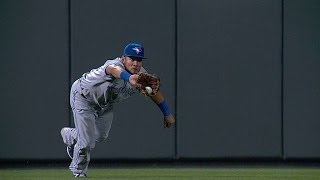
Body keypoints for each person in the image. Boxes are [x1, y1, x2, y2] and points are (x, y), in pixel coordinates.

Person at [60, 42, 175, 177]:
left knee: (100, 136)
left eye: (139, 60)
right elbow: (112, 70)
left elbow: (154, 93)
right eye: (132, 59)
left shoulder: (142, 76)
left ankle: (71, 135)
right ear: (123, 58)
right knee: (86, 142)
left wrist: (167, 113)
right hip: (83, 97)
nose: (136, 63)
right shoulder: (115, 65)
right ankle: (79, 173)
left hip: (105, 104)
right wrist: (128, 77)